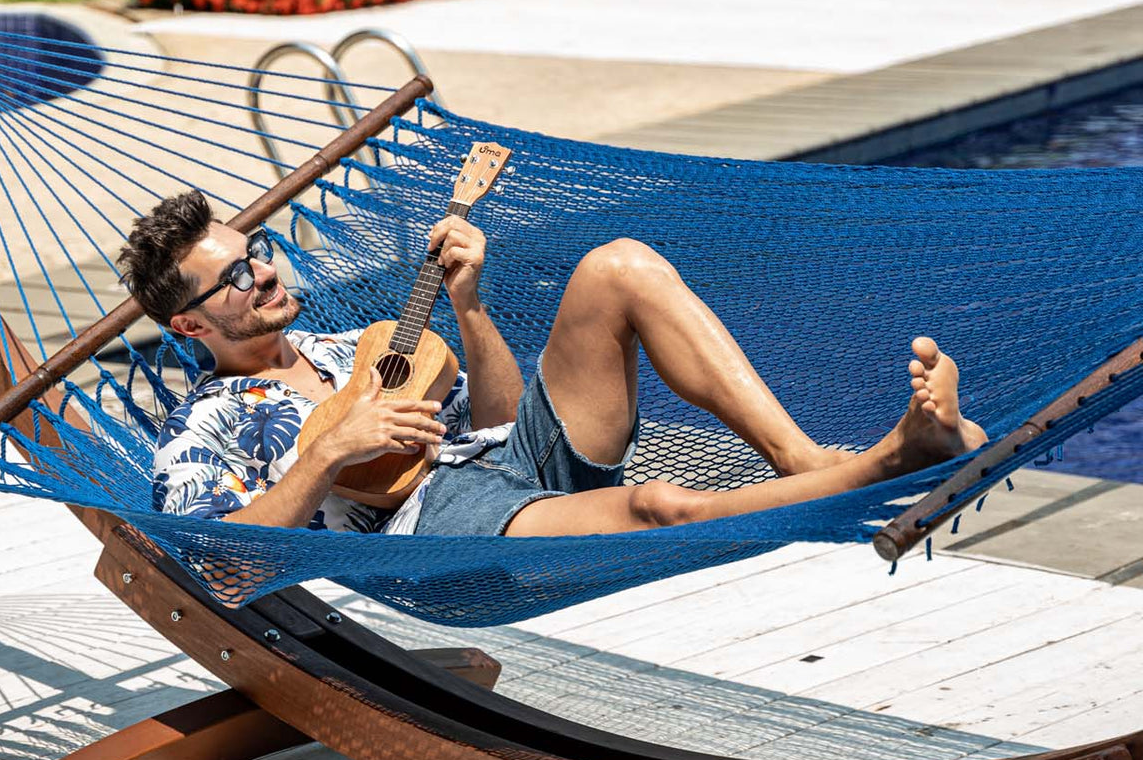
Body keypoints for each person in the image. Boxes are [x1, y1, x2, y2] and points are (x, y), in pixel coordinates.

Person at [118, 189, 986, 538]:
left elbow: (496, 424)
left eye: (256, 250)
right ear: (189, 326)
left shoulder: (361, 347)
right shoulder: (204, 426)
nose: (262, 271)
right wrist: (328, 451)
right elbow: (214, 557)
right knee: (659, 503)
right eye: (233, 277)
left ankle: (799, 456)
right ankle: (892, 462)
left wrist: (471, 305)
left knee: (619, 264)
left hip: (506, 463)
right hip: (435, 536)